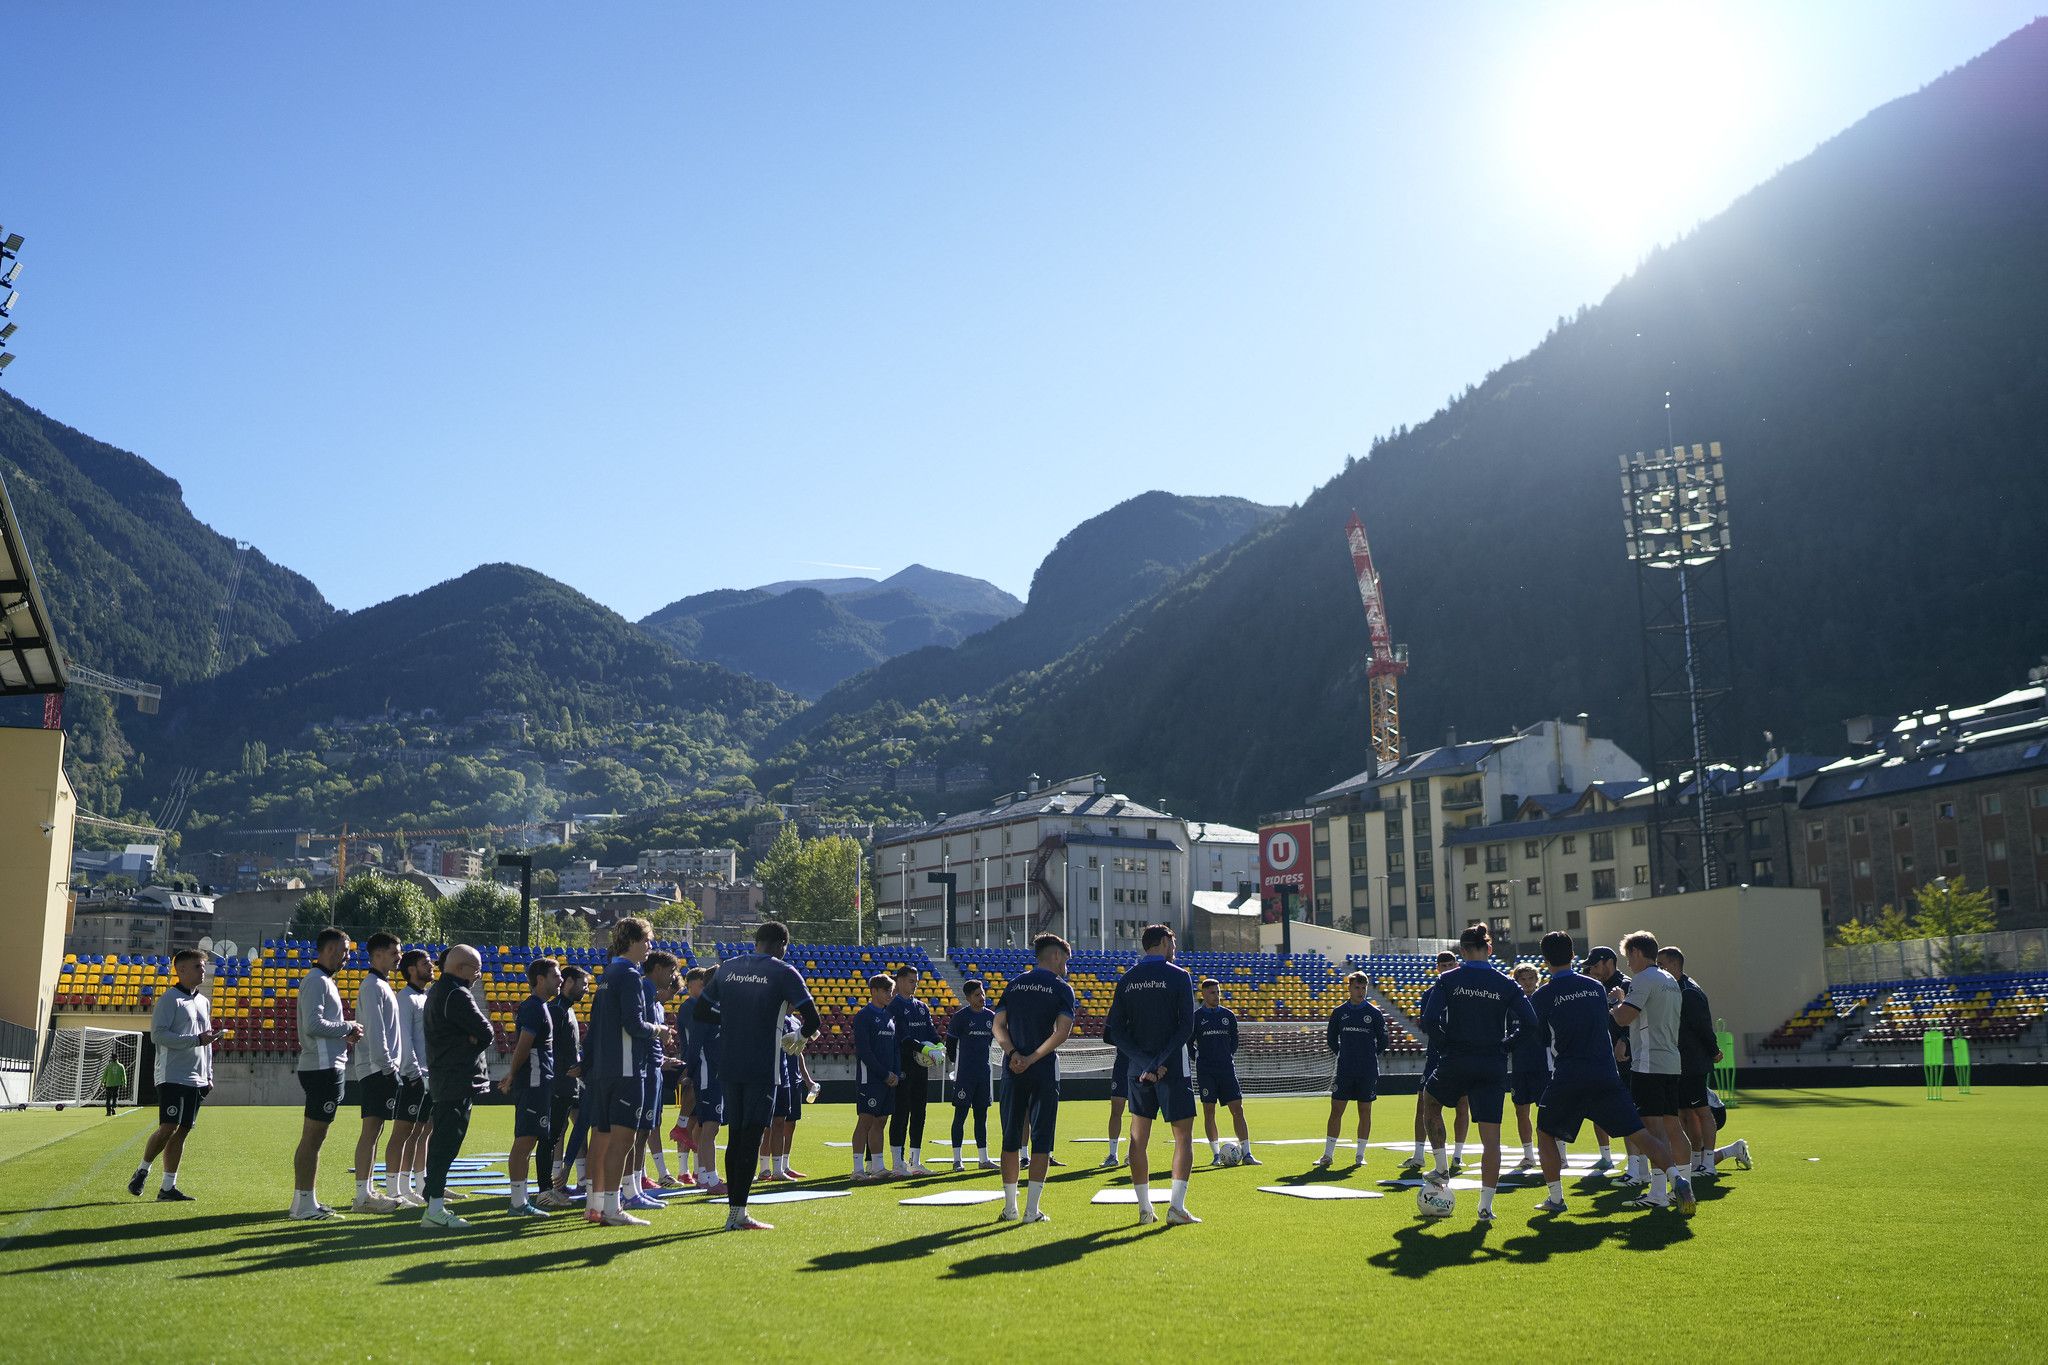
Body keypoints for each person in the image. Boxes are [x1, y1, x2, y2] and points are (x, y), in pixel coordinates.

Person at [1528, 931, 1689, 1216]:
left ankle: (1556, 1198)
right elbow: (1609, 1022)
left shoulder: (1543, 994)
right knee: (1642, 1134)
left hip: (1569, 1075)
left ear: (1545, 960)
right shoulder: (1594, 988)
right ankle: (1677, 1178)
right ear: (1573, 956)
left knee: (1544, 1132)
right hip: (1606, 1073)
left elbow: (1539, 1036)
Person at [695, 919, 820, 1232]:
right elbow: (813, 1018)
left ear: (757, 941)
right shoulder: (782, 971)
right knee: (751, 1138)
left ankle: (733, 1214)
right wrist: (802, 1035)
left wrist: (734, 1018)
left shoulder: (726, 968)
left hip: (730, 1063)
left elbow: (701, 1012)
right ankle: (738, 1213)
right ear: (781, 947)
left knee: (735, 1136)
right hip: (762, 1065)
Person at [1419, 923, 1539, 1223]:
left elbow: (1430, 1020)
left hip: (1457, 1059)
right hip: (1492, 1063)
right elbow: (1531, 1023)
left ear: (1462, 951)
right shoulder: (1506, 984)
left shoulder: (1448, 979)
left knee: (1430, 1103)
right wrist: (1506, 1045)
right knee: (1491, 1139)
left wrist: (1447, 1044)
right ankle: (1485, 1206)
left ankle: (1442, 1165)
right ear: (1489, 949)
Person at [1105, 924, 1200, 1226]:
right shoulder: (1179, 975)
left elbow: (1113, 1032)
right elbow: (1186, 1026)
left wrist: (1144, 1063)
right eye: (1172, 940)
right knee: (1183, 1138)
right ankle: (1177, 1207)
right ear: (1162, 942)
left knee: (1137, 1138)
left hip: (1137, 1071)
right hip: (1172, 1068)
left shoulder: (1128, 979)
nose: (1175, 946)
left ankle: (1145, 1209)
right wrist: (1158, 1061)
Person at [1609, 930, 1697, 1214]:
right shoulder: (1670, 979)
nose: (1627, 964)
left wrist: (1615, 1003)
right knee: (1673, 1126)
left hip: (1649, 1062)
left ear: (1636, 952)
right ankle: (1684, 1187)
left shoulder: (1643, 978)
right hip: (1671, 1060)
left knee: (1652, 1129)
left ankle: (1659, 1192)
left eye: (1627, 957)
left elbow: (1624, 1017)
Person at [994, 933, 1076, 1224]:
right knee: (1042, 1139)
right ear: (1055, 956)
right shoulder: (1061, 988)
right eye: (1065, 960)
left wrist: (1014, 1053)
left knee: (1010, 1138)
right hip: (1042, 1070)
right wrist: (1032, 1058)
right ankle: (1031, 1210)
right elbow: (1062, 1033)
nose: (1067, 967)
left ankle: (1009, 1207)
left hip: (1012, 1068)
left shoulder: (1014, 985)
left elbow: (998, 1025)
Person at [130, 948, 221, 1201]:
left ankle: (167, 1188)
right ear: (180, 970)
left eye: (203, 966)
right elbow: (158, 1035)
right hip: (172, 1075)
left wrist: (209, 1073)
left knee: (183, 1130)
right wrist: (195, 1040)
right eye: (198, 966)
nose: (203, 970)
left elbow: (207, 1041)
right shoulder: (169, 1000)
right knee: (168, 1127)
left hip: (197, 1077)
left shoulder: (204, 1001)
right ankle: (143, 1170)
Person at [586, 917, 656, 1227]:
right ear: (633, 941)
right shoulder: (629, 974)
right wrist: (660, 1030)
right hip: (626, 1068)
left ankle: (595, 1204)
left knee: (601, 1139)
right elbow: (634, 1025)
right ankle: (613, 1209)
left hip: (603, 1069)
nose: (650, 948)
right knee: (622, 1141)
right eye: (647, 941)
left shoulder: (607, 974)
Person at [290, 927, 363, 1220]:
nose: (347, 957)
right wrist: (348, 1026)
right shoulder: (317, 981)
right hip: (321, 1068)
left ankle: (303, 1202)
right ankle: (304, 1204)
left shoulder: (323, 981)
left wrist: (345, 1032)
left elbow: (320, 1026)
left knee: (314, 1138)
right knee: (313, 1139)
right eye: (345, 951)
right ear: (331, 949)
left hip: (325, 1065)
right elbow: (313, 1025)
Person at [420, 944, 494, 1229]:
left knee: (445, 1143)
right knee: (445, 1144)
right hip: (455, 1078)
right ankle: (434, 1209)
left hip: (446, 1077)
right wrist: (470, 1040)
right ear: (460, 969)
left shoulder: (441, 991)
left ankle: (433, 1199)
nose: (478, 974)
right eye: (475, 968)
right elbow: (486, 1031)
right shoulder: (456, 993)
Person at [499, 956, 560, 1218]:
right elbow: (524, 1045)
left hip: (540, 1082)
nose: (560, 980)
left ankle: (520, 1200)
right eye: (555, 975)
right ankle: (517, 1202)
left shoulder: (541, 1006)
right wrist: (511, 1074)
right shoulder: (533, 1008)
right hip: (533, 1082)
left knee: (530, 1140)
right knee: (524, 1141)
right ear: (540, 979)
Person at [348, 932, 404, 1214]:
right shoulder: (372, 986)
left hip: (380, 1067)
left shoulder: (381, 985)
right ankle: (362, 1196)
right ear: (378, 954)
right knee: (371, 1130)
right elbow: (375, 1030)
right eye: (395, 952)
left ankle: (367, 1190)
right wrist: (387, 1067)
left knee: (376, 1129)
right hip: (376, 1068)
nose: (399, 957)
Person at [1659, 947, 1722, 1178]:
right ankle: (1696, 1160)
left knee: (1702, 1111)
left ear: (1675, 965)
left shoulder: (1689, 991)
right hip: (1676, 1062)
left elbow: (1703, 1027)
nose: (1659, 968)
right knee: (1684, 1113)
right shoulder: (1672, 988)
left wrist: (1714, 1050)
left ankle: (1709, 1161)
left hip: (1693, 1062)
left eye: (1662, 964)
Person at [1401, 951, 1467, 1172]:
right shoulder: (1430, 994)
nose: (1447, 968)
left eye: (1451, 964)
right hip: (1436, 1055)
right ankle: (1419, 1155)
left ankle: (1457, 1155)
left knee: (1462, 1104)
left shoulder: (1465, 991)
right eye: (1443, 965)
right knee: (1422, 1103)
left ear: (1457, 965)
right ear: (1438, 968)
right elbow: (1427, 1025)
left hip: (1461, 1055)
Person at [1317, 970, 1390, 1169]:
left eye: (1363, 987)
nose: (1360, 991)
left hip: (1367, 1071)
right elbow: (1331, 1039)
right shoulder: (1339, 1012)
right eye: (1357, 987)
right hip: (1345, 1070)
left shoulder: (1374, 1013)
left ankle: (1360, 1155)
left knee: (1365, 1110)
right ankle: (1327, 1155)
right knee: (1336, 1110)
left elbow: (1383, 1041)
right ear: (1349, 988)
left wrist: (1368, 1055)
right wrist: (1345, 1054)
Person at [385, 948, 434, 1207]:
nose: (431, 966)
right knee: (402, 1132)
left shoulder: (425, 998)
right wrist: (413, 1072)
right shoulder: (404, 998)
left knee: (418, 1132)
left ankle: (408, 1186)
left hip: (427, 1074)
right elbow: (403, 1038)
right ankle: (393, 1190)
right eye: (425, 963)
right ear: (412, 969)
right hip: (412, 1076)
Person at [539, 963, 587, 1206]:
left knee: (573, 1128)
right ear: (568, 983)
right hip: (558, 1082)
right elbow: (547, 1047)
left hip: (572, 1082)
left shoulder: (567, 1009)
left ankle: (574, 1180)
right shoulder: (555, 1010)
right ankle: (550, 1184)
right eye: (582, 984)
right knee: (553, 1134)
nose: (585, 990)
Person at [1192, 979, 1254, 1165]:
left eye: (1218, 992)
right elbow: (1188, 1043)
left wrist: (1227, 1055)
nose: (1216, 996)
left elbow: (1234, 1040)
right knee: (1209, 1112)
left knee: (1238, 1109)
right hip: (1206, 1071)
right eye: (1212, 992)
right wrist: (1198, 1058)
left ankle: (1248, 1154)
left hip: (1226, 1069)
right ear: (1203, 995)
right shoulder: (1196, 1018)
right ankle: (1217, 1155)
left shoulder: (1228, 1015)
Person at [1580, 946, 1631, 1173]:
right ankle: (1606, 1156)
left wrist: (1625, 1039)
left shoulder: (1627, 984)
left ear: (1608, 962)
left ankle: (1637, 1165)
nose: (1591, 969)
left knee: (1631, 1110)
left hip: (1624, 1058)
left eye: (1595, 964)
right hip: (1600, 1056)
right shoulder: (1595, 987)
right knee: (1596, 1107)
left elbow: (1635, 1018)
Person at [886, 965, 940, 1176]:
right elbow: (902, 1037)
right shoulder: (895, 1006)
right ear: (899, 981)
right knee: (901, 1113)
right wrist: (924, 1048)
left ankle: (915, 1161)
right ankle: (897, 1163)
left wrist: (939, 1046)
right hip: (903, 1066)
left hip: (921, 1067)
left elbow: (931, 1031)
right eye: (911, 980)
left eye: (916, 981)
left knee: (920, 1112)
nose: (914, 984)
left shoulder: (921, 1006)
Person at [945, 979, 998, 1171]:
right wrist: (957, 1066)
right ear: (968, 998)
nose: (982, 997)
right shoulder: (961, 1017)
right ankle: (957, 1160)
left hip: (983, 1074)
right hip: (965, 1075)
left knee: (981, 1116)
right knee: (960, 1115)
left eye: (982, 993)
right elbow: (950, 1044)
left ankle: (983, 1159)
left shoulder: (991, 1017)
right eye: (977, 995)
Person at [851, 974, 899, 1181]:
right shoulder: (863, 1016)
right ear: (874, 991)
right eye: (886, 991)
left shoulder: (890, 1017)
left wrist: (896, 1072)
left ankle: (878, 1167)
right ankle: (857, 1169)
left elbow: (895, 1048)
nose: (890, 994)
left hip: (889, 1079)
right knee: (866, 1120)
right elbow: (864, 1051)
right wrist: (883, 1073)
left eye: (891, 991)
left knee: (881, 1120)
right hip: (870, 1078)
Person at [688, 966, 727, 1198]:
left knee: (706, 1126)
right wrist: (690, 1071)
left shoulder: (720, 1008)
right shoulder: (704, 1010)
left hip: (716, 1074)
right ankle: (710, 1178)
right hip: (707, 1074)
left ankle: (704, 1175)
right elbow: (695, 1045)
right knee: (709, 1126)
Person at [763, 1010, 815, 1181]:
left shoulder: (796, 1021)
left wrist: (807, 1079)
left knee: (789, 1123)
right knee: (770, 1124)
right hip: (775, 1075)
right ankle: (765, 1168)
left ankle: (784, 1166)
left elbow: (798, 1051)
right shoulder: (775, 1017)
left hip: (792, 1077)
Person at [671, 966, 710, 1186]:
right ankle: (683, 1170)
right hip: (692, 1065)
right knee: (688, 1122)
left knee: (699, 1122)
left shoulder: (699, 1005)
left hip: (699, 1065)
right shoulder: (689, 1006)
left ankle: (697, 1169)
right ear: (691, 985)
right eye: (701, 984)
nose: (704, 988)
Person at [1509, 963, 1550, 1169]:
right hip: (1520, 1065)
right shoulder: (1512, 1004)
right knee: (1521, 1110)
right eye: (1522, 979)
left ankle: (1558, 1154)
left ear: (1537, 979)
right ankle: (1528, 1155)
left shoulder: (1544, 1001)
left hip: (1543, 1064)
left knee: (1548, 1110)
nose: (1527, 983)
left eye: (1530, 979)